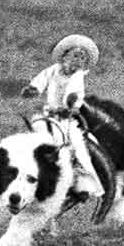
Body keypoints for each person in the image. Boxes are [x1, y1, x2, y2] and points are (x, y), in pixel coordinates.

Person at [21, 34, 103, 205]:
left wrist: (70, 105)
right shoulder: (53, 70)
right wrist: (33, 89)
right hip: (48, 115)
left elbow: (75, 92)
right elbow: (41, 80)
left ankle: (84, 183)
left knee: (77, 145)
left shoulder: (78, 76)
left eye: (82, 58)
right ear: (65, 56)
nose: (78, 60)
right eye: (75, 55)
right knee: (30, 138)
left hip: (65, 118)